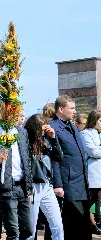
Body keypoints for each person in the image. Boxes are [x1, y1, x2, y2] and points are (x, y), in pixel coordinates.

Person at [0, 111, 34, 239]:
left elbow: (27, 161)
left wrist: (29, 187)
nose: (19, 117)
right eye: (14, 112)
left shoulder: (22, 133)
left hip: (23, 187)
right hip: (6, 188)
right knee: (13, 232)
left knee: (29, 230)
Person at [50, 95, 92, 239]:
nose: (75, 111)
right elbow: (53, 159)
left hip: (82, 183)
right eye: (72, 108)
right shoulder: (53, 128)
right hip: (68, 183)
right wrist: (58, 184)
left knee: (84, 223)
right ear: (61, 109)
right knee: (72, 224)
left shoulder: (72, 126)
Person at [24, 114, 64, 240]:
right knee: (31, 228)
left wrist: (53, 138)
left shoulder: (45, 143)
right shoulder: (25, 144)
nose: (42, 133)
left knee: (57, 225)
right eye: (40, 130)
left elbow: (58, 157)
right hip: (33, 186)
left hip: (47, 185)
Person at [80, 110, 101, 234]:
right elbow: (92, 152)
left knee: (99, 200)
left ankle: (98, 221)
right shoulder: (85, 133)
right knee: (91, 199)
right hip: (92, 172)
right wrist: (96, 149)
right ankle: (91, 223)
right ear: (94, 120)